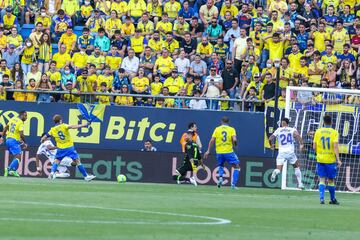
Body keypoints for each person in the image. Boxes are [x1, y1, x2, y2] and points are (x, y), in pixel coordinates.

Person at [41, 114, 96, 181]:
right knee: (78, 161)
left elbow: (45, 136)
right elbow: (73, 127)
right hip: (69, 147)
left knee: (56, 161)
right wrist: (84, 125)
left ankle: (52, 173)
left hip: (60, 149)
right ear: (60, 120)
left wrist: (42, 140)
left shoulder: (52, 130)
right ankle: (86, 176)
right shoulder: (63, 125)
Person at [268, 118, 304, 189]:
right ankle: (300, 184)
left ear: (282, 123)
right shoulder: (292, 129)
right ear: (288, 123)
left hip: (281, 153)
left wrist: (271, 145)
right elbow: (298, 136)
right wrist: (301, 143)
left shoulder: (278, 130)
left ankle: (275, 172)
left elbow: (270, 138)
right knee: (296, 167)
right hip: (290, 152)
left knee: (279, 170)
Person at [204, 116, 240, 189]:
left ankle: (220, 177)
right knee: (237, 167)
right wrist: (235, 145)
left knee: (221, 165)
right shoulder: (231, 129)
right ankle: (233, 185)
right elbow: (235, 139)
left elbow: (212, 140)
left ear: (221, 122)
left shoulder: (217, 129)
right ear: (228, 122)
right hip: (229, 151)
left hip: (219, 152)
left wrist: (208, 150)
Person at [313, 115, 341, 205]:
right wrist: (338, 159)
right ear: (331, 122)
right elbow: (335, 146)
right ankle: (332, 199)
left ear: (323, 122)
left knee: (321, 179)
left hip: (320, 159)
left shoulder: (318, 131)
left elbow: (314, 146)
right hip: (330, 160)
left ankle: (321, 199)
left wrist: (319, 153)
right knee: (331, 180)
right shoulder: (334, 132)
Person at [2, 111, 28, 177]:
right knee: (18, 156)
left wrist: (2, 137)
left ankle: (13, 170)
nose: (26, 117)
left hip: (8, 140)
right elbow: (21, 134)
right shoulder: (20, 122)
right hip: (13, 141)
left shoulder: (12, 119)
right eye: (25, 116)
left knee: (16, 156)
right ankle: (9, 169)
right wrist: (25, 143)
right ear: (21, 115)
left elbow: (5, 128)